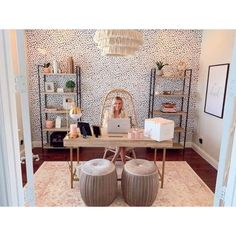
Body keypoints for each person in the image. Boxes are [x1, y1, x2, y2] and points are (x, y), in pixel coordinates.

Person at [102, 96, 128, 163]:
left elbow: (127, 125)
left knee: (122, 143)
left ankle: (113, 162)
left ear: (122, 104)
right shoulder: (108, 112)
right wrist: (111, 125)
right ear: (113, 104)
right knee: (122, 145)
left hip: (121, 134)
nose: (118, 105)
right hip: (110, 135)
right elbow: (104, 125)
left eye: (119, 103)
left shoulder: (124, 113)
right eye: (116, 103)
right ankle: (124, 164)